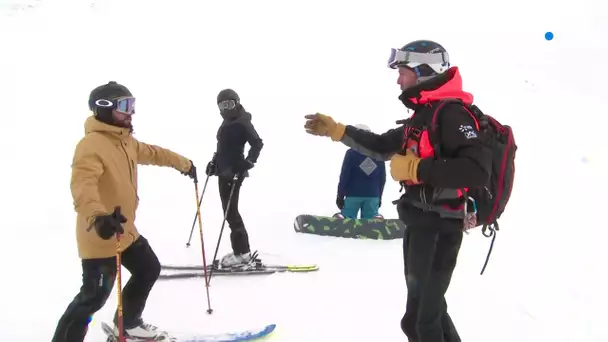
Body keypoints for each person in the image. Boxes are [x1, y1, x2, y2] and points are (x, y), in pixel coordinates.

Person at [304, 40, 493, 342]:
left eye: (403, 71)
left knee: (422, 321)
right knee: (428, 314)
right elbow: (380, 145)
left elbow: (476, 170)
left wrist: (417, 169)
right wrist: (338, 130)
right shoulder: (423, 115)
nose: (398, 79)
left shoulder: (452, 115)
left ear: (424, 71)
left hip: (440, 228)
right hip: (420, 223)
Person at [52, 81, 197, 342]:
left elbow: (154, 153)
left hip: (125, 230)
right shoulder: (91, 145)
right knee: (92, 298)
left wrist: (184, 164)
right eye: (124, 106)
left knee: (148, 267)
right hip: (101, 234)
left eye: (132, 104)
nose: (131, 112)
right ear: (104, 108)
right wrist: (98, 217)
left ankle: (128, 323)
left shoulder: (125, 141)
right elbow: (83, 186)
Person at [205, 89, 264, 268]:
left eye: (229, 104)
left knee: (231, 212)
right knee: (228, 211)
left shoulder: (242, 121)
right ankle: (241, 252)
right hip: (224, 171)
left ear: (237, 103)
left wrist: (247, 162)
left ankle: (243, 254)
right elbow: (224, 148)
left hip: (235, 171)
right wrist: (214, 164)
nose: (226, 108)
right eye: (222, 105)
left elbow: (257, 143)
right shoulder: (227, 122)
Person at [335, 124, 386, 219]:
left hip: (352, 194)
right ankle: (375, 221)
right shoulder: (379, 154)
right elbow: (382, 178)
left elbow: (344, 176)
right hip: (372, 195)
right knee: (370, 226)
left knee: (347, 223)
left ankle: (344, 220)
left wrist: (340, 195)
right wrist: (379, 196)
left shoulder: (351, 153)